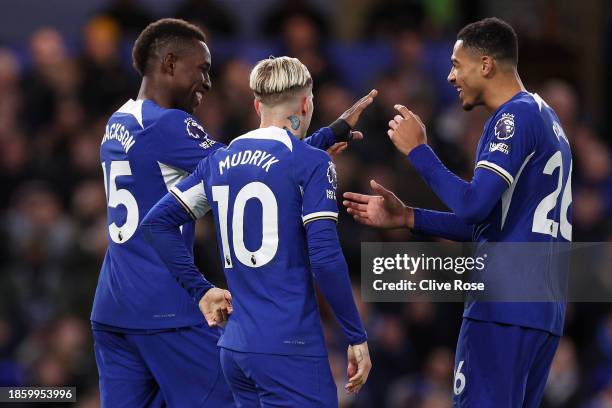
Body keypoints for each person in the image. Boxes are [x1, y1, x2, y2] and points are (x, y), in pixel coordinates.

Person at [92, 18, 375, 407]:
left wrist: (323, 139)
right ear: (170, 63)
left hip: (111, 308)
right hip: (165, 310)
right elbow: (248, 168)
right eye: (202, 69)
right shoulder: (170, 125)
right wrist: (319, 144)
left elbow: (239, 166)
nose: (207, 82)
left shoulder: (117, 122)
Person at [343, 17, 572, 407]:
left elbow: (472, 206)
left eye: (456, 64)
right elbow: (490, 224)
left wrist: (419, 151)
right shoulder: (547, 118)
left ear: (485, 65)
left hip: (501, 307)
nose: (450, 76)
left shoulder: (513, 117)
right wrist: (410, 218)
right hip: (542, 313)